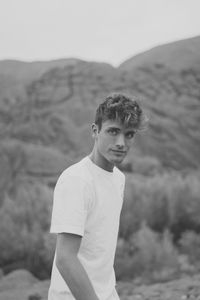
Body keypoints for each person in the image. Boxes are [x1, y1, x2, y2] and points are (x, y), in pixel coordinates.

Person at [48, 93, 148, 300]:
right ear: (95, 131)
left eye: (129, 134)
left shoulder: (118, 179)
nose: (121, 142)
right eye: (113, 131)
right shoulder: (76, 180)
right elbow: (65, 259)